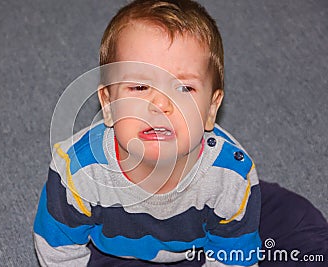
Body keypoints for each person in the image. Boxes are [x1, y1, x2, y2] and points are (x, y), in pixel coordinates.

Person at [33, 0, 327, 266]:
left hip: (203, 236)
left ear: (211, 110)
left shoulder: (229, 176)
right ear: (108, 105)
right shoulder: (76, 172)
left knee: (303, 234)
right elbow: (59, 251)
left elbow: (233, 258)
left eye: (183, 88)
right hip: (114, 245)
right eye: (139, 87)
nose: (160, 104)